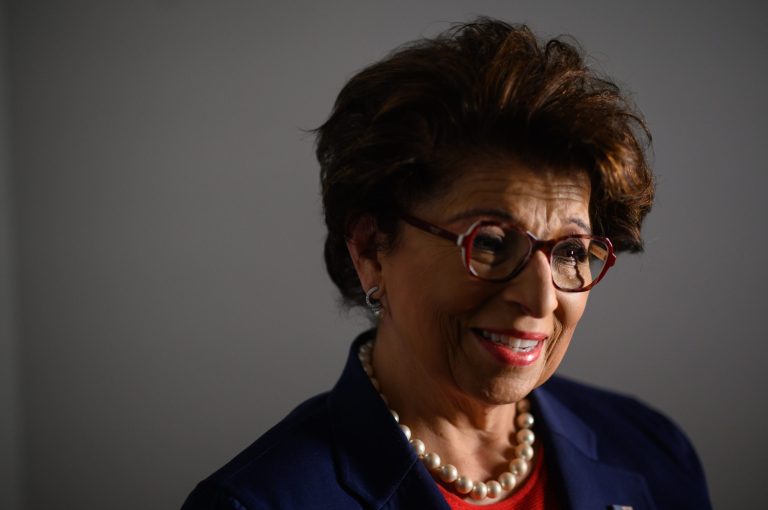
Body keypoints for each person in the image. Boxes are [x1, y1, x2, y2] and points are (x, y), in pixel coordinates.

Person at [181, 18, 712, 509]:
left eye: (571, 252)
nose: (541, 297)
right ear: (370, 249)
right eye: (491, 242)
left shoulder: (653, 452)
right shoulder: (258, 502)